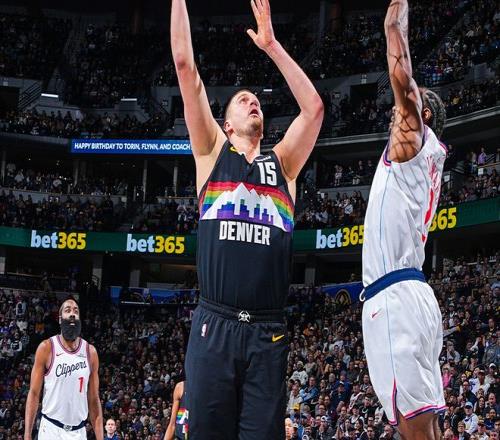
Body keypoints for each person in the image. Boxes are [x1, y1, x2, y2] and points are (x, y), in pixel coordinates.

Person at [170, 0, 323, 437]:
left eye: (256, 100)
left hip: (266, 332)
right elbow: (185, 66)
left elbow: (314, 109)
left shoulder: (284, 165)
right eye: (242, 100)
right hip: (214, 325)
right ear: (227, 124)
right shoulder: (211, 153)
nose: (252, 101)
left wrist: (272, 46)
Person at [360, 0, 447, 439]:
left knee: (414, 426)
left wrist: (395, 17)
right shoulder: (425, 160)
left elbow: (403, 79)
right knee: (426, 424)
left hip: (394, 297)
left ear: (423, 115)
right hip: (413, 294)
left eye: (407, 107)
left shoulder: (412, 141)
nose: (396, 111)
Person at [24, 298, 103, 440]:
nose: (72, 313)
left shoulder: (90, 352)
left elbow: (94, 400)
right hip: (50, 429)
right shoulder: (47, 347)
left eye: (76, 311)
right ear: (60, 319)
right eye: (68, 310)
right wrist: (27, 434)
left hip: (78, 432)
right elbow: (34, 393)